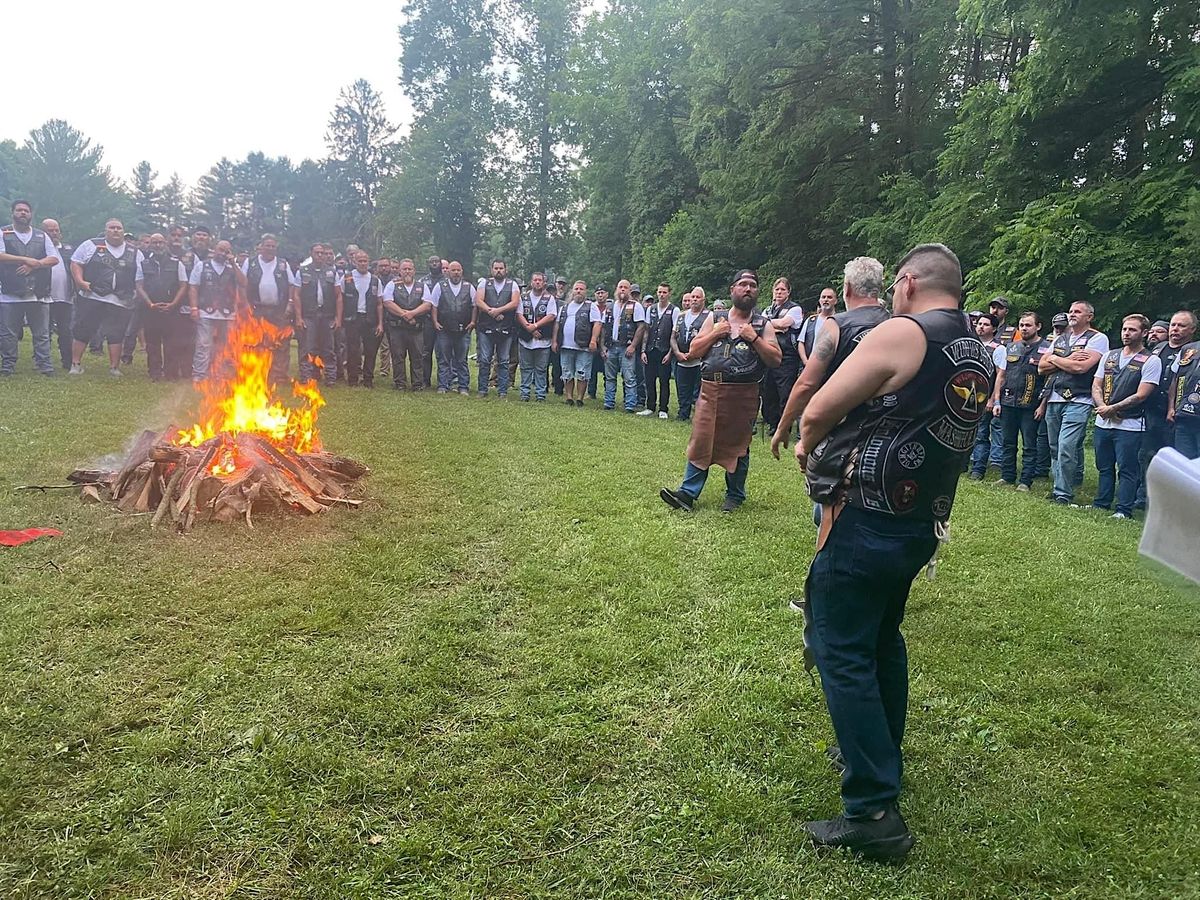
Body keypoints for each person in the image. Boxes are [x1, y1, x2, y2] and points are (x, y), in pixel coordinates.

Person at [797, 244, 994, 860]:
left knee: (839, 646)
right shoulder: (979, 351)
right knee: (883, 637)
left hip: (868, 516)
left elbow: (823, 405)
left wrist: (806, 442)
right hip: (922, 522)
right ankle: (880, 751)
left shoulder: (905, 333)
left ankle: (874, 809)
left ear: (904, 284)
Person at [660, 270, 781, 512]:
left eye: (753, 285)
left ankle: (735, 495)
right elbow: (693, 350)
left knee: (738, 445)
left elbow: (776, 359)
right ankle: (687, 493)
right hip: (710, 391)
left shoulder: (761, 324)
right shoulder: (715, 318)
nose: (748, 289)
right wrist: (716, 332)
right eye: (743, 284)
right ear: (732, 290)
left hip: (743, 394)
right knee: (701, 440)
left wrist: (754, 339)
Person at [771, 258, 889, 462]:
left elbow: (807, 383)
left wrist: (783, 427)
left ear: (847, 288)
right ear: (881, 287)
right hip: (887, 430)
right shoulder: (898, 324)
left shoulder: (836, 325)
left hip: (841, 430)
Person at [1039, 300, 1109, 505]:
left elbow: (1082, 368)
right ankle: (1058, 487)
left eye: (1078, 311)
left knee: (1066, 446)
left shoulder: (1098, 338)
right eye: (1070, 311)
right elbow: (1041, 368)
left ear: (1089, 316)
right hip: (1054, 397)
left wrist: (1055, 360)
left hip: (1079, 399)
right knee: (1054, 447)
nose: (1072, 314)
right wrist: (1068, 358)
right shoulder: (1061, 338)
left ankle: (1063, 493)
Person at [1091, 315, 1160, 519]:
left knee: (1127, 468)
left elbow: (1142, 394)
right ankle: (1101, 503)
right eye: (1124, 329)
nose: (1126, 333)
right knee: (1103, 465)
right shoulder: (1110, 356)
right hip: (1103, 421)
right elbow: (1096, 384)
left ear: (1144, 333)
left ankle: (1123, 509)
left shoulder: (1150, 360)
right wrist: (1103, 406)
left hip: (1130, 424)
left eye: (1132, 330)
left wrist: (1113, 408)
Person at [1136, 310, 1196, 507]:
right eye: (1173, 325)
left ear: (1193, 330)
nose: (1175, 329)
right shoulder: (1157, 348)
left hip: (1181, 415)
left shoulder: (1192, 351)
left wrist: (1173, 408)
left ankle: (1173, 502)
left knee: (1177, 460)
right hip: (1155, 411)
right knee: (1147, 455)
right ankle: (1143, 498)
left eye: (1181, 326)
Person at [69, 218, 144, 377]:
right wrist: (80, 281)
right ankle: (75, 364)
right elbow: (76, 262)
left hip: (121, 300)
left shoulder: (135, 252)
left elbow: (140, 278)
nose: (115, 230)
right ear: (105, 231)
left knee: (117, 334)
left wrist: (138, 295)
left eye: (119, 228)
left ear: (123, 231)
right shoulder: (91, 245)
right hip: (93, 296)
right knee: (83, 330)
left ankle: (114, 368)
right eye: (112, 228)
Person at [991, 311, 1051, 491]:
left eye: (1028, 325)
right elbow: (1001, 375)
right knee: (1007, 442)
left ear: (1038, 327)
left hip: (1031, 404)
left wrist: (1043, 405)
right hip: (1008, 402)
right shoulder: (1010, 347)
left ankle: (1025, 481)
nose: (1024, 328)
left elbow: (1051, 380)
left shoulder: (1047, 349)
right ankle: (1007, 476)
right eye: (1022, 325)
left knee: (1029, 445)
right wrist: (996, 401)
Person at [0, 200, 59, 376]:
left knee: (41, 333)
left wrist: (36, 264)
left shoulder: (41, 235)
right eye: (19, 210)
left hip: (38, 293)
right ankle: (7, 367)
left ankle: (45, 366)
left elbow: (54, 258)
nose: (23, 213)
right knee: (8, 334)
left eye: (26, 210)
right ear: (13, 213)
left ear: (31, 214)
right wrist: (24, 260)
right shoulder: (3, 233)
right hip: (10, 293)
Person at [242, 234, 300, 385]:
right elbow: (242, 284)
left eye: (273, 246)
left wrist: (290, 303)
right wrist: (245, 307)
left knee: (281, 343)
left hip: (279, 310)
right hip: (257, 310)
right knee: (258, 343)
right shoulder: (250, 263)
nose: (270, 249)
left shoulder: (283, 264)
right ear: (261, 247)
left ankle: (279, 376)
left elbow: (291, 285)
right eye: (267, 245)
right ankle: (258, 373)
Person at [187, 239, 244, 383]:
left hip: (228, 314)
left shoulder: (233, 268)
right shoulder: (201, 265)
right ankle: (199, 375)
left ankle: (220, 373)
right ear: (214, 249)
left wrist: (233, 263)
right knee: (203, 344)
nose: (223, 253)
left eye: (226, 251)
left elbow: (244, 283)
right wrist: (194, 308)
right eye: (220, 250)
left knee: (225, 346)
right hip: (206, 311)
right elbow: (193, 287)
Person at [136, 234, 189, 381]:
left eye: (160, 242)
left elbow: (183, 285)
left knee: (171, 342)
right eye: (154, 243)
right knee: (152, 343)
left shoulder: (176, 263)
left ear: (165, 243)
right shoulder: (143, 263)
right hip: (150, 309)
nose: (158, 245)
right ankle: (155, 373)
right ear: (150, 245)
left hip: (171, 310)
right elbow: (139, 286)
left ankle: (171, 373)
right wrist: (150, 303)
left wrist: (173, 304)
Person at [760, 276, 805, 435]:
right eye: (777, 289)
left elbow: (784, 324)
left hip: (787, 357)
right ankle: (773, 424)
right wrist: (776, 325)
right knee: (768, 391)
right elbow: (761, 325)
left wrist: (770, 324)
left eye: (782, 290)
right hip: (769, 354)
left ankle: (784, 427)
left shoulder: (795, 309)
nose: (779, 292)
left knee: (785, 393)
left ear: (788, 292)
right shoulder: (768, 309)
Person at [295, 243, 342, 385]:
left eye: (322, 253)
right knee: (307, 348)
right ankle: (306, 377)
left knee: (328, 348)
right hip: (309, 315)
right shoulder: (302, 271)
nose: (320, 255)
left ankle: (330, 378)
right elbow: (296, 295)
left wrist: (338, 318)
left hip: (327, 315)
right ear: (311, 253)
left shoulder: (332, 272)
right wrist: (298, 317)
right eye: (317, 252)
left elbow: (339, 296)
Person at [382, 258, 431, 391]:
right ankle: (400, 383)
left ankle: (417, 384)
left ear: (414, 271)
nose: (407, 271)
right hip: (397, 328)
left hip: (416, 329)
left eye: (410, 269)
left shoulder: (422, 286)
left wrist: (412, 313)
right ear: (399, 271)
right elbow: (387, 302)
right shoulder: (392, 285)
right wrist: (405, 315)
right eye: (404, 269)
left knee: (417, 357)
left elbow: (427, 304)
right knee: (397, 356)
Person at [428, 260, 476, 394]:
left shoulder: (469, 287)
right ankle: (443, 386)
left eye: (458, 270)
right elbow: (434, 306)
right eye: (453, 270)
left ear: (462, 272)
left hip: (463, 330)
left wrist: (473, 322)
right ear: (448, 271)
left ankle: (463, 387)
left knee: (462, 360)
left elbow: (474, 306)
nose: (456, 273)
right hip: (444, 329)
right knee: (443, 359)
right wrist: (435, 322)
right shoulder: (440, 286)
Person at [968, 313, 1005, 480]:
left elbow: (1000, 376)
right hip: (966, 397)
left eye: (986, 324)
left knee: (982, 434)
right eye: (979, 324)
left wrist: (993, 399)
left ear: (994, 328)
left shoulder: (998, 349)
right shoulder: (971, 345)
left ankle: (978, 468)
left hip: (984, 397)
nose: (981, 327)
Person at [475, 258, 519, 398]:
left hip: (506, 328)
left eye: (501, 268)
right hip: (486, 328)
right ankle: (482, 390)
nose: (498, 270)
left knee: (504, 360)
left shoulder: (513, 285)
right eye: (496, 268)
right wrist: (491, 311)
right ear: (491, 270)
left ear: (506, 270)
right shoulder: (484, 283)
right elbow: (478, 301)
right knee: (485, 359)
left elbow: (514, 303)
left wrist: (499, 310)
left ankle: (502, 391)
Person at [554, 279, 602, 407]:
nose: (578, 291)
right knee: (567, 373)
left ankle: (580, 398)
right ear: (572, 291)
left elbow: (597, 323)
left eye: (581, 289)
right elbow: (557, 324)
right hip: (565, 346)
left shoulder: (591, 306)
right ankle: (569, 397)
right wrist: (554, 341)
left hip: (584, 346)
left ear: (585, 292)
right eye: (576, 289)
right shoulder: (564, 307)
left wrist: (593, 340)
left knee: (582, 373)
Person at [341, 250, 384, 387]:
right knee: (353, 350)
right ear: (354, 262)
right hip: (352, 319)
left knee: (371, 351)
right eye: (360, 261)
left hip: (370, 319)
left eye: (365, 260)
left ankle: (368, 379)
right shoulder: (347, 278)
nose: (363, 263)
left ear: (369, 262)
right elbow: (340, 300)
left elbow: (379, 304)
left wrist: (380, 324)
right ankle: (353, 379)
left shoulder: (375, 280)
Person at [603, 280, 646, 412]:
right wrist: (602, 346)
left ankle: (630, 404)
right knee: (609, 376)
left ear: (629, 291)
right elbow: (604, 327)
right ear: (616, 289)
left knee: (629, 376)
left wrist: (633, 346)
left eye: (625, 288)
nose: (622, 290)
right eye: (620, 287)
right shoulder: (610, 306)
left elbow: (641, 327)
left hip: (626, 347)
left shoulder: (635, 306)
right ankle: (609, 402)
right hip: (611, 345)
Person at [515, 271, 558, 402]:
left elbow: (551, 315)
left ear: (544, 283)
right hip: (525, 339)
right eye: (535, 280)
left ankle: (540, 394)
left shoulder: (549, 298)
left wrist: (535, 326)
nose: (537, 282)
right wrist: (529, 328)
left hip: (543, 339)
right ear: (531, 282)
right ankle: (525, 393)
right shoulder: (524, 297)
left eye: (540, 280)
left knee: (541, 368)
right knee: (525, 367)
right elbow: (519, 314)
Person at [638, 282, 678, 418]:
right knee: (649, 379)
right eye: (659, 292)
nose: (661, 295)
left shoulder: (674, 310)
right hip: (650, 349)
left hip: (664, 350)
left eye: (664, 292)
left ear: (669, 293)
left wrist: (670, 353)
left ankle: (663, 409)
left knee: (664, 380)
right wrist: (643, 350)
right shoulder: (651, 309)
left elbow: (674, 334)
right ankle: (650, 406)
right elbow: (646, 331)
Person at [670, 288, 709, 421]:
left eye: (697, 297)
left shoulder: (708, 316)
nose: (694, 300)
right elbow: (673, 337)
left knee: (699, 391)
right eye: (692, 297)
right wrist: (677, 352)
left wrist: (696, 353)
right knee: (682, 389)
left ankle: (699, 416)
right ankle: (683, 414)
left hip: (700, 361)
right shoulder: (681, 316)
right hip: (681, 359)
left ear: (703, 300)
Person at [42, 218, 74, 370]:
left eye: (56, 230)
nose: (54, 233)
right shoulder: (39, 250)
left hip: (66, 297)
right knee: (43, 331)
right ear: (43, 232)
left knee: (66, 331)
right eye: (50, 230)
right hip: (44, 296)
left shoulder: (68, 250)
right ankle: (43, 361)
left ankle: (68, 362)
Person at [1169, 335, 1200, 459]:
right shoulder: (1189, 349)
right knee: (1185, 465)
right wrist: (1171, 407)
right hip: (1184, 417)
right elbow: (1175, 380)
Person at [798, 287, 837, 366]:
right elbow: (801, 342)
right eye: (823, 297)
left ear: (835, 301)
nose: (826, 300)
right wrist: (805, 361)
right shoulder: (810, 321)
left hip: (832, 366)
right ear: (820, 300)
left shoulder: (840, 321)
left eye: (829, 297)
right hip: (810, 365)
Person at [420, 254, 442, 387]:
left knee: (443, 352)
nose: (434, 264)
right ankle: (425, 380)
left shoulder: (446, 280)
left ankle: (443, 381)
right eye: (432, 262)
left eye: (436, 262)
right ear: (428, 264)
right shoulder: (423, 281)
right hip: (427, 320)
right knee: (426, 351)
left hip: (443, 320)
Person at [588, 284, 609, 400]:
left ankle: (608, 393)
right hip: (594, 340)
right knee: (592, 368)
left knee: (608, 369)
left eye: (602, 293)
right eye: (598, 293)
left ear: (607, 294)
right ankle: (591, 393)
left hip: (607, 342)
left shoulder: (612, 307)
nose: (600, 295)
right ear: (595, 295)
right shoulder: (591, 307)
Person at [550, 275, 568, 394]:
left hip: (561, 335)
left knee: (558, 364)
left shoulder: (566, 301)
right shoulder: (546, 300)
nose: (560, 285)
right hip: (546, 333)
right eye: (559, 283)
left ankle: (559, 388)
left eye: (563, 283)